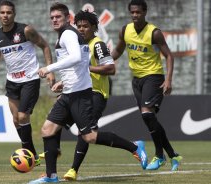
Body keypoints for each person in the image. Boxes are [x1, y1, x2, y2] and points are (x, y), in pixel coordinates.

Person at [28, 3, 147, 183]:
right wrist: (63, 82)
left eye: (58, 17)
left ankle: (134, 147)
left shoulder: (72, 36)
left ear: (67, 19)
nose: (54, 20)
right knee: (48, 129)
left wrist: (49, 68)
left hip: (85, 94)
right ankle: (51, 176)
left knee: (89, 136)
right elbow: (79, 64)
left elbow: (79, 60)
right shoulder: (70, 36)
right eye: (52, 17)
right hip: (70, 93)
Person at [111, 0, 182, 171]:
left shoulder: (154, 32)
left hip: (154, 76)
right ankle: (172, 155)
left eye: (138, 12)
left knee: (147, 115)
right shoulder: (125, 30)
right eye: (132, 12)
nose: (135, 15)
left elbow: (169, 56)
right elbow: (118, 51)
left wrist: (169, 80)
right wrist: (104, 62)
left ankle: (159, 155)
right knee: (149, 119)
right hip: (136, 80)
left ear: (145, 13)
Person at [0, 0, 55, 166]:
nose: (5, 16)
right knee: (15, 120)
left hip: (30, 80)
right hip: (12, 81)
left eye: (9, 12)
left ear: (14, 14)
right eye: (2, 13)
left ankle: (28, 156)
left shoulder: (26, 30)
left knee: (22, 116)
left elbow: (45, 46)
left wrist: (49, 69)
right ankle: (33, 156)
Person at [62, 10, 116, 181]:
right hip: (78, 92)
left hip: (96, 93)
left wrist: (88, 68)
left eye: (85, 26)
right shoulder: (77, 46)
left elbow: (111, 69)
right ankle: (50, 161)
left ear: (93, 27)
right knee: (57, 121)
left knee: (85, 132)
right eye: (79, 26)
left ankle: (73, 170)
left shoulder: (98, 45)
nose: (82, 29)